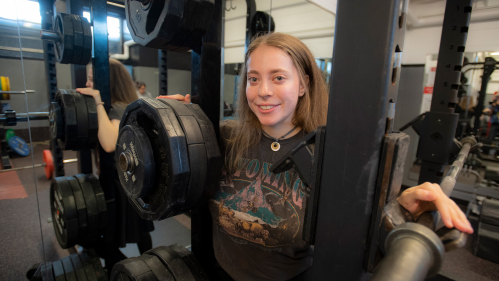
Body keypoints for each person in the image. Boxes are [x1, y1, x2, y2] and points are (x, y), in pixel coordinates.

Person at [159, 33, 473, 281]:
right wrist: (175, 123)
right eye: (253, 79)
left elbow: (363, 225)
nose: (262, 90)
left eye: (278, 77)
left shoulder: (332, 155)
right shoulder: (225, 136)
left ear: (303, 85)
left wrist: (399, 207)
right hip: (218, 273)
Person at [76, 59, 155, 274]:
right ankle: (139, 269)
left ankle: (137, 271)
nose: (87, 82)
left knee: (128, 232)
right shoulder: (118, 106)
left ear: (106, 81)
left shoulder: (119, 108)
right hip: (121, 180)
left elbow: (110, 144)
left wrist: (99, 102)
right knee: (136, 232)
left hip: (124, 184)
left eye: (92, 79)